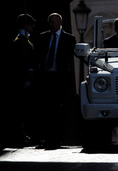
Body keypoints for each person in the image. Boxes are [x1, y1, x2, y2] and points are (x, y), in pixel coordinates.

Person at [34, 13, 76, 149]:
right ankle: (46, 138)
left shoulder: (69, 39)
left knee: (58, 109)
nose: (50, 25)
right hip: (45, 77)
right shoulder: (43, 37)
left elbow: (72, 59)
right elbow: (37, 56)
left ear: (60, 22)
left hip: (60, 78)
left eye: (53, 22)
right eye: (49, 22)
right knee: (45, 108)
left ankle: (57, 139)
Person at [10, 14, 36, 145]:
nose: (33, 26)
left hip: (23, 79)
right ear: (25, 25)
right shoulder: (20, 41)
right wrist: (27, 75)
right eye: (31, 24)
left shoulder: (23, 39)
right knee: (21, 107)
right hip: (22, 80)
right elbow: (21, 63)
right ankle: (20, 133)